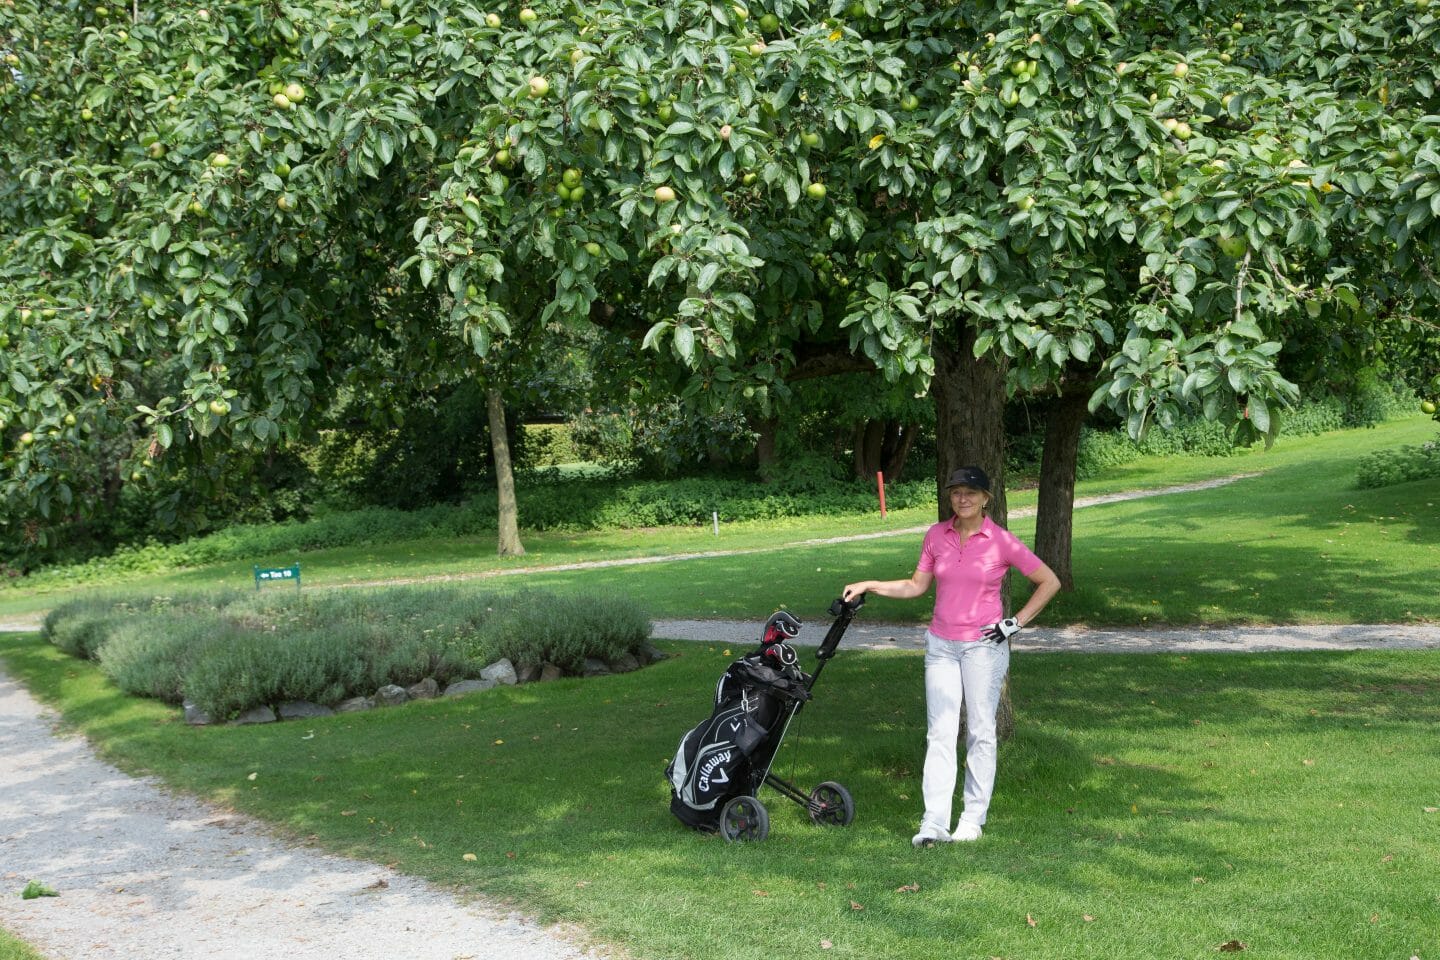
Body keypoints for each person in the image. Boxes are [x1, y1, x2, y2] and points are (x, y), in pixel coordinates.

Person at [843, 465, 1060, 847]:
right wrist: (870, 585)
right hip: (940, 646)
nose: (963, 498)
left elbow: (1049, 581)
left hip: (983, 647)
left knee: (980, 731)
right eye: (956, 492)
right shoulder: (935, 536)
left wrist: (1014, 623)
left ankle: (972, 819)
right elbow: (916, 586)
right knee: (940, 732)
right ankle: (934, 823)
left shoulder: (1001, 541)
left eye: (971, 493)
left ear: (985, 499)